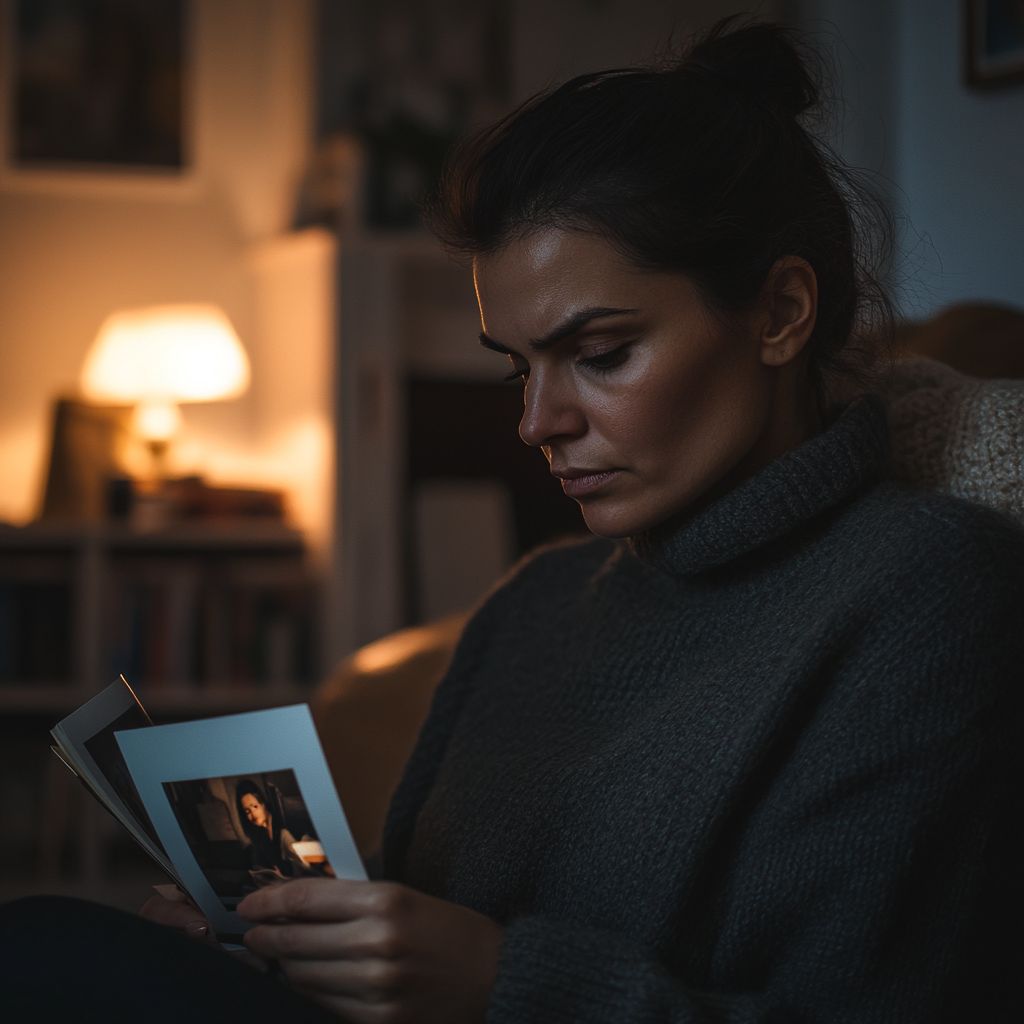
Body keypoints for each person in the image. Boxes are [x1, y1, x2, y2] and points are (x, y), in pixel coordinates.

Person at [3, 18, 1022, 1024]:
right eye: (516, 365)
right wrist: (285, 943)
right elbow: (409, 938)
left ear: (780, 312)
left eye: (602, 352)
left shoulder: (926, 596)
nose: (538, 422)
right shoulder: (530, 604)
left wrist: (503, 985)